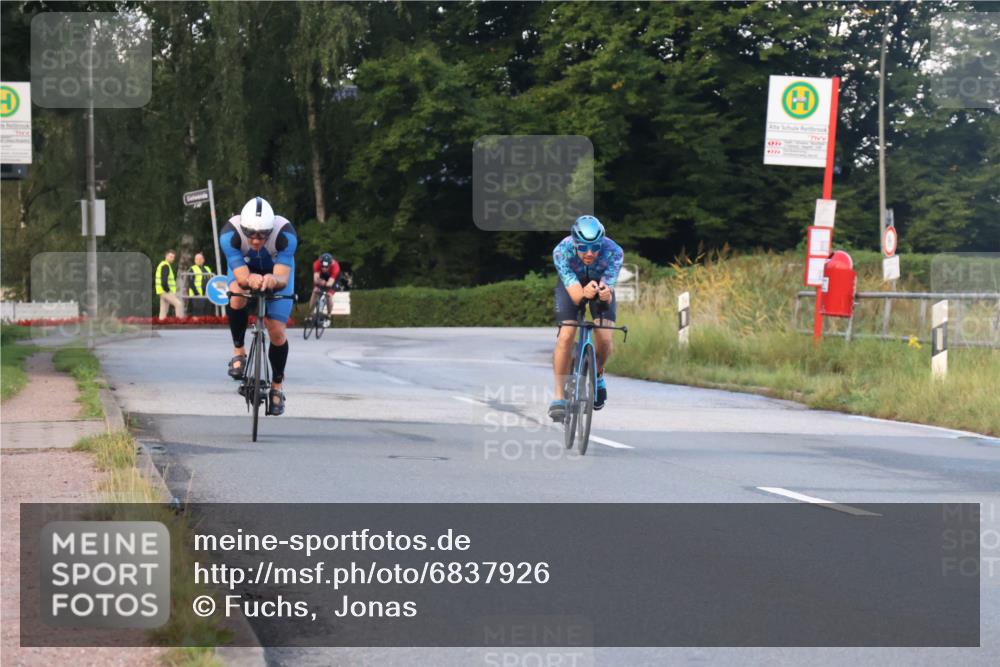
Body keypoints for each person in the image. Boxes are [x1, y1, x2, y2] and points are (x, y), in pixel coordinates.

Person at [220, 196, 298, 416]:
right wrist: (250, 280)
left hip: (277, 273)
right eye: (250, 234)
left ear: (270, 230)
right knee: (237, 295)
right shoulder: (230, 234)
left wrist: (274, 281)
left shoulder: (285, 234)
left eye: (262, 235)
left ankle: (277, 387)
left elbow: (282, 277)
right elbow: (242, 278)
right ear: (243, 228)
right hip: (244, 271)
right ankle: (239, 352)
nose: (255, 241)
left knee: (277, 331)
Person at [548, 215, 623, 421]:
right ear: (574, 243)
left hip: (599, 286)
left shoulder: (614, 252)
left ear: (602, 244)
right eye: (583, 247)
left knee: (605, 339)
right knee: (566, 335)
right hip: (571, 286)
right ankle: (559, 397)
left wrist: (605, 293)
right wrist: (584, 293)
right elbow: (576, 296)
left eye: (595, 247)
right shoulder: (561, 251)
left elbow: (608, 286)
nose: (589, 253)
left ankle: (597, 375)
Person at [309, 252, 341, 319]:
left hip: (333, 279)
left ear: (330, 264)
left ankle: (329, 314)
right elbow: (315, 279)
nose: (324, 268)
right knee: (315, 291)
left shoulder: (335, 267)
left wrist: (324, 283)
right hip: (322, 276)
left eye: (326, 267)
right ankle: (310, 314)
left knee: (329, 295)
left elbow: (330, 283)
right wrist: (319, 283)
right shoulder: (316, 263)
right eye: (322, 266)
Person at [155, 249, 185, 319]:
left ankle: (161, 324)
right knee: (178, 304)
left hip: (161, 291)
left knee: (163, 310)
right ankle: (179, 322)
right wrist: (168, 290)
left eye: (173, 257)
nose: (172, 258)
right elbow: (164, 279)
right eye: (170, 256)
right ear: (166, 256)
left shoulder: (163, 265)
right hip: (166, 291)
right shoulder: (165, 265)